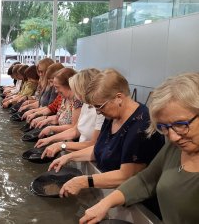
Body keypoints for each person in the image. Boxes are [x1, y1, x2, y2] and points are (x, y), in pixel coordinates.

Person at [80, 72, 199, 224]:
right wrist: (106, 203)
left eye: (181, 125)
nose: (174, 137)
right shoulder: (175, 147)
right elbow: (146, 179)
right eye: (164, 127)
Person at [48, 69, 164, 198]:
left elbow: (126, 176)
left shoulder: (141, 125)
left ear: (119, 98)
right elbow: (100, 148)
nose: (98, 112)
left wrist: (84, 181)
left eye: (100, 106)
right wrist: (68, 157)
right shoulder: (112, 115)